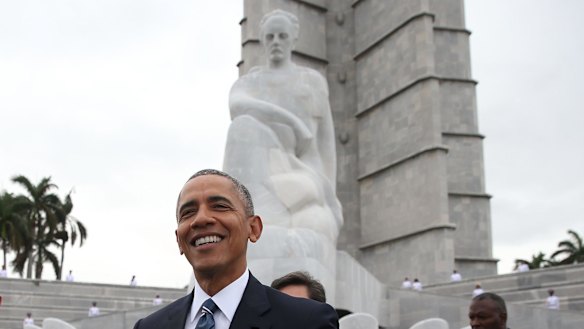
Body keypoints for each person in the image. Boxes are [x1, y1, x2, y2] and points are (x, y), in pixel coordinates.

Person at [133, 169, 338, 329]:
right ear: (179, 240)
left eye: (220, 206)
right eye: (188, 212)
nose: (201, 219)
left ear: (254, 228)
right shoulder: (149, 326)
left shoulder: (306, 321)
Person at [224, 9, 342, 244]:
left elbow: (326, 145)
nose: (276, 42)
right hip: (264, 165)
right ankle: (235, 213)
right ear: (262, 41)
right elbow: (237, 105)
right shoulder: (252, 81)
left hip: (303, 169)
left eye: (282, 36)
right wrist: (291, 122)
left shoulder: (312, 82)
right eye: (270, 37)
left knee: (306, 204)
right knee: (242, 127)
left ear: (293, 39)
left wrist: (330, 196)